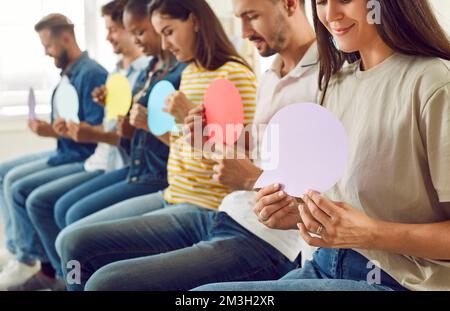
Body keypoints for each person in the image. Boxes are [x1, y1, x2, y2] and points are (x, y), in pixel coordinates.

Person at [194, 0, 450, 291]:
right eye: (321, 2)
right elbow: (344, 206)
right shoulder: (336, 83)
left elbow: (365, 228)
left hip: (398, 281)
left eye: (344, 0)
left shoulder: (435, 83)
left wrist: (371, 234)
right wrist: (300, 215)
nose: (330, 15)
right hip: (325, 265)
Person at [59, 0, 258, 291]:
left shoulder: (235, 76)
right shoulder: (190, 73)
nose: (165, 43)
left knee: (78, 247)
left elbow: (236, 162)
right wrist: (152, 127)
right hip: (173, 193)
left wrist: (192, 119)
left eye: (168, 31)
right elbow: (183, 145)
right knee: (70, 240)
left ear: (194, 21)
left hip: (203, 205)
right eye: (160, 34)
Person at [10, 0, 149, 291]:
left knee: (55, 206)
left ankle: (64, 276)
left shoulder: (129, 74)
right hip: (103, 159)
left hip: (115, 163)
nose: (109, 36)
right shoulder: (116, 74)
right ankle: (62, 275)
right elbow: (111, 131)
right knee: (32, 192)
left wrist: (86, 133)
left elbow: (120, 136)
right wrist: (71, 131)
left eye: (113, 30)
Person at [0, 13, 107, 290]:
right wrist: (50, 130)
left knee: (21, 187)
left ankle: (39, 264)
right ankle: (19, 251)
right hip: (64, 150)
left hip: (81, 156)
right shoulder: (67, 76)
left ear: (66, 38)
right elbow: (70, 126)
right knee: (3, 172)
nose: (45, 52)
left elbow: (94, 132)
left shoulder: (92, 74)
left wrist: (56, 131)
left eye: (48, 45)